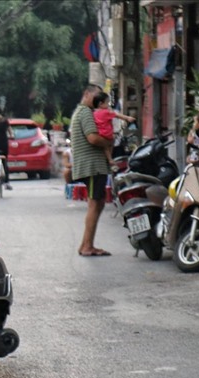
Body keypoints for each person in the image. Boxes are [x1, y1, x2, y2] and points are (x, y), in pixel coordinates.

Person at [70, 84, 113, 257]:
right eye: (95, 97)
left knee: (98, 202)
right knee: (95, 204)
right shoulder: (86, 113)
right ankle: (87, 246)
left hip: (92, 164)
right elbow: (93, 138)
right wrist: (109, 142)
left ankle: (86, 245)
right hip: (92, 165)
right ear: (86, 94)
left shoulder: (82, 112)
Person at [91, 92, 135, 167]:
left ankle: (108, 158)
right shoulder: (106, 112)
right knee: (110, 145)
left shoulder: (94, 113)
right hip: (108, 134)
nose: (108, 105)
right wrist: (128, 118)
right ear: (100, 104)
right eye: (107, 103)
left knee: (105, 147)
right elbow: (117, 115)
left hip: (100, 134)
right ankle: (110, 159)